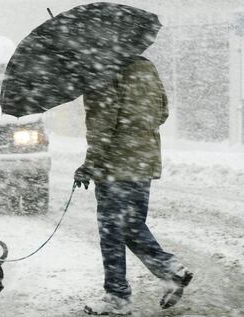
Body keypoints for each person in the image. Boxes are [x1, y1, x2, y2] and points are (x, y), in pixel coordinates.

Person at [74, 56, 193, 316]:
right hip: (143, 162)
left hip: (115, 166)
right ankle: (171, 272)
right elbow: (162, 112)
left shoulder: (100, 69)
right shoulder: (146, 65)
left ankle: (117, 296)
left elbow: (101, 127)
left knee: (112, 234)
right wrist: (136, 128)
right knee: (131, 225)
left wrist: (89, 166)